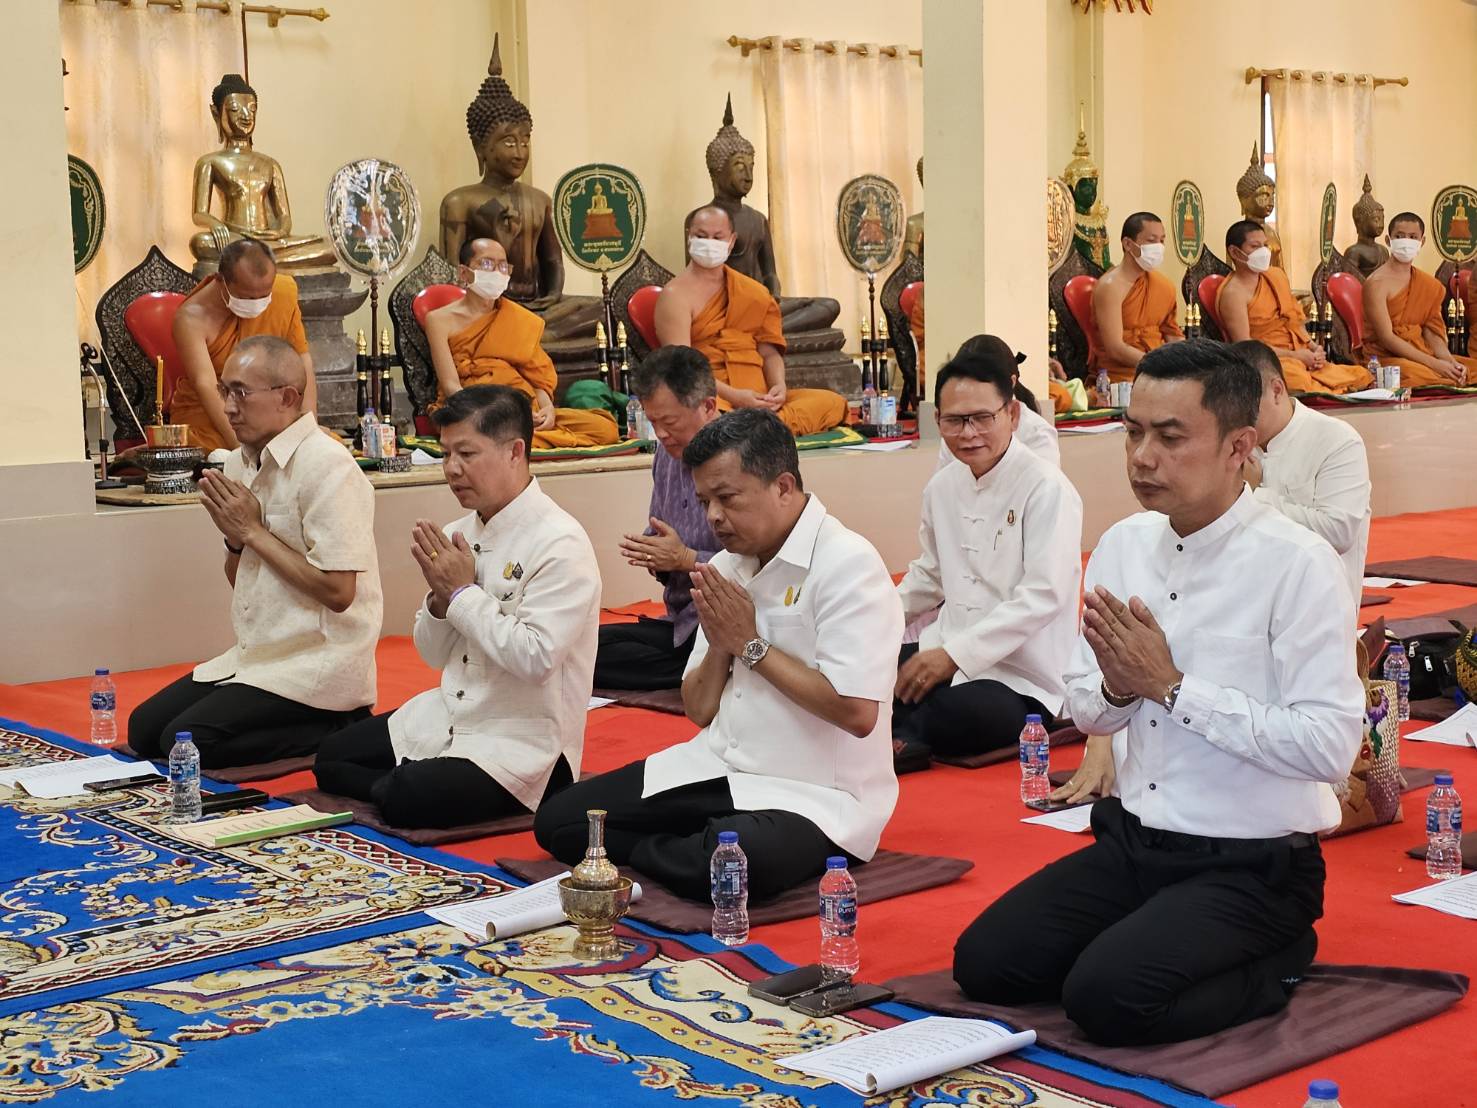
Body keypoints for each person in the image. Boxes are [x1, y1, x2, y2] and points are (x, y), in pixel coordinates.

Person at [953, 338, 1364, 1046]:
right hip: (1135, 843)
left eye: (1170, 437)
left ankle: (1281, 956)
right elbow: (1085, 706)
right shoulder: (1124, 544)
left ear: (1239, 447)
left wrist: (1172, 689)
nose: (1142, 457)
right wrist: (1120, 687)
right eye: (1133, 432)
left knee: (1108, 1001)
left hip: (1251, 864)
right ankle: (1152, 940)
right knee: (986, 965)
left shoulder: (1297, 564)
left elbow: (1329, 749)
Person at [534, 409, 902, 901]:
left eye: (727, 499)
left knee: (732, 865)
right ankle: (686, 845)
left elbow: (857, 714)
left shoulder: (847, 564)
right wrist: (722, 647)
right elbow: (699, 708)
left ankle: (686, 846)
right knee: (560, 822)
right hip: (718, 767)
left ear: (783, 486)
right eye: (705, 500)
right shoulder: (727, 566)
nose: (712, 517)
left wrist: (750, 645)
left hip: (813, 793)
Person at [314, 386, 598, 827]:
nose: (451, 468)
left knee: (407, 797)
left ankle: (411, 784)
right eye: (445, 453)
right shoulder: (458, 533)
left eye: (466, 453)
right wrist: (440, 600)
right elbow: (432, 654)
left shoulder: (560, 542)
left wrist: (463, 593)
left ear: (515, 452)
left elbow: (536, 659)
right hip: (450, 712)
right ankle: (410, 782)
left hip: (522, 737)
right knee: (331, 759)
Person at [129, 337, 380, 768]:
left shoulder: (328, 466)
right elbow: (241, 577)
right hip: (257, 655)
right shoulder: (238, 462)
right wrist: (236, 540)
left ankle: (339, 724)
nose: (228, 407)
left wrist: (253, 532)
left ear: (287, 397)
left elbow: (340, 593)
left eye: (241, 393)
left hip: (317, 661)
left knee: (184, 745)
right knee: (144, 730)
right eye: (225, 391)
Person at [893, 339, 1083, 772]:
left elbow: (1043, 595)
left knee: (960, 715)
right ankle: (900, 732)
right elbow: (929, 576)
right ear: (937, 421)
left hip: (1022, 676)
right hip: (943, 647)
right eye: (955, 421)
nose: (968, 433)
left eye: (982, 418)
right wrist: (870, 620)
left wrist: (955, 656)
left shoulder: (1046, 488)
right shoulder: (942, 487)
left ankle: (897, 734)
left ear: (1012, 414)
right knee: (866, 671)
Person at [654, 205, 846, 437]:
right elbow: (683, 369)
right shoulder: (675, 295)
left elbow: (769, 353)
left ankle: (752, 428)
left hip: (759, 396)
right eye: (701, 236)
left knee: (833, 402)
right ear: (689, 237)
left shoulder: (752, 291)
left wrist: (778, 387)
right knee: (708, 418)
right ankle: (757, 428)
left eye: (717, 237)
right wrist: (736, 397)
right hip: (711, 396)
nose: (709, 243)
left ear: (732, 241)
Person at [593, 347, 722, 690]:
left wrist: (685, 559)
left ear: (708, 407)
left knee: (587, 664)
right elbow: (660, 530)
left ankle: (711, 672)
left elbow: (761, 568)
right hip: (682, 621)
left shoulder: (741, 461)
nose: (661, 434)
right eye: (654, 423)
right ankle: (696, 673)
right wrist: (656, 556)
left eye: (670, 423)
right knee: (581, 648)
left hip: (728, 624)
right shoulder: (666, 456)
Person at [424, 237, 618, 449]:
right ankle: (510, 439)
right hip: (472, 411)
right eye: (486, 264)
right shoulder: (438, 320)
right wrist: (485, 414)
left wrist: (547, 410)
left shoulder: (516, 318)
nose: (497, 272)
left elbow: (535, 377)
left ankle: (510, 441)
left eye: (503, 266)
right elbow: (450, 385)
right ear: (463, 273)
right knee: (486, 432)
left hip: (523, 408)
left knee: (605, 429)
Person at [1233, 339, 1371, 608]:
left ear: (1276, 390)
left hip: (1317, 604)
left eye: (1244, 408)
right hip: (1244, 600)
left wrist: (1255, 494)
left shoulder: (1337, 440)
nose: (1237, 420)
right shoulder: (1231, 441)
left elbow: (1338, 533)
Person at [170, 236, 315, 453]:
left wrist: (308, 431)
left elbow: (302, 361)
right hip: (216, 417)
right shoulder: (191, 318)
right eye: (247, 297)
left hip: (268, 410)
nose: (257, 305)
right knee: (204, 450)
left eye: (264, 296)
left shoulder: (283, 293)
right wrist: (242, 449)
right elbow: (206, 384)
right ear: (221, 280)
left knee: (325, 445)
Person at [1216, 220, 1371, 395]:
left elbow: (1293, 321)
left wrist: (1314, 348)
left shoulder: (1276, 276)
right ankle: (1327, 392)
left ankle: (1328, 390)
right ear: (1235, 252)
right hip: (1269, 360)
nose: (1264, 251)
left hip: (1300, 353)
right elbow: (1246, 346)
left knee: (1360, 374)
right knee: (1297, 380)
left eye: (1265, 245)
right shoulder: (1233, 294)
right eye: (1255, 246)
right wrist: (1296, 356)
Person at [1362, 212, 1472, 387]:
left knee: (1467, 368)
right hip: (1385, 356)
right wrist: (1435, 365)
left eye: (1413, 237)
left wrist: (1450, 362)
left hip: (1421, 353)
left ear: (1422, 241)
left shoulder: (1428, 285)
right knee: (1418, 373)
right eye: (1400, 236)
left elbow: (1432, 333)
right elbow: (1387, 338)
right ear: (1388, 240)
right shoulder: (1376, 284)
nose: (1406, 241)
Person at [1090, 212, 1185, 383]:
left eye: (1162, 241)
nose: (1158, 247)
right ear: (1128, 244)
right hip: (1122, 376)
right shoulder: (1110, 287)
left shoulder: (1164, 286)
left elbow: (1172, 335)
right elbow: (1115, 348)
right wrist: (1157, 366)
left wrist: (1184, 361)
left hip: (1160, 372)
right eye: (1151, 240)